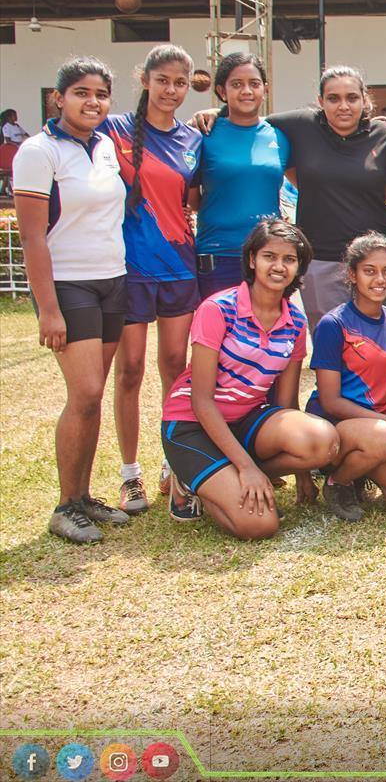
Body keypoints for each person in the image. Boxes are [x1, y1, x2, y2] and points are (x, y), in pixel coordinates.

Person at [159, 219, 339, 540]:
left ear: (300, 268)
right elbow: (201, 401)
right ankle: (194, 480)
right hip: (192, 424)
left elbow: (285, 405)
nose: (279, 266)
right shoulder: (217, 309)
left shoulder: (295, 322)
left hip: (245, 421)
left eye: (290, 259)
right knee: (259, 525)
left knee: (321, 442)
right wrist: (246, 467)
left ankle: (223, 473)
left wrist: (301, 474)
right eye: (270, 256)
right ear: (252, 259)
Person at [14, 58, 132, 543]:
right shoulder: (38, 152)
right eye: (81, 92)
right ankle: (65, 506)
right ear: (57, 98)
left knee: (93, 397)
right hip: (71, 285)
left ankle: (83, 497)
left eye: (101, 94)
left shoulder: (105, 145)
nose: (93, 102)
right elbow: (32, 238)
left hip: (113, 279)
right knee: (83, 394)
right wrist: (48, 308)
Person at [194, 65, 386, 329]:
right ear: (320, 101)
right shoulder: (301, 125)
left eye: (352, 98)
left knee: (378, 342)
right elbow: (250, 117)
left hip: (376, 258)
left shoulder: (385, 135)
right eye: (333, 98)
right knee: (330, 342)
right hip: (320, 258)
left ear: (364, 99)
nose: (343, 106)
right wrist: (218, 112)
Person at [101, 44, 202, 518]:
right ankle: (129, 474)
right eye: (162, 80)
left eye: (180, 82)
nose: (171, 90)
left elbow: (195, 198)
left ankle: (173, 463)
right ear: (144, 80)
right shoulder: (113, 129)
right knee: (130, 369)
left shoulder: (192, 139)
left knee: (174, 368)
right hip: (131, 268)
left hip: (181, 266)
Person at [305, 233, 386, 522]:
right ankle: (339, 481)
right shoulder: (334, 324)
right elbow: (330, 401)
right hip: (337, 427)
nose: (379, 279)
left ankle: (364, 469)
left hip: (380, 430)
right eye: (369, 271)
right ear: (352, 274)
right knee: (381, 437)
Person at [195, 53, 288, 299]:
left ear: (265, 89)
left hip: (269, 256)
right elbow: (191, 198)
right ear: (221, 91)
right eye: (237, 84)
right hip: (218, 254)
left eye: (254, 84)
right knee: (219, 334)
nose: (246, 91)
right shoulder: (203, 134)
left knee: (269, 332)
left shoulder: (280, 136)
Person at [0, 108, 24, 198]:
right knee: (10, 170)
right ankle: (11, 191)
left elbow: (25, 134)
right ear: (9, 117)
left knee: (11, 171)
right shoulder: (6, 126)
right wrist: (17, 144)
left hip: (19, 149)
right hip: (11, 150)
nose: (16, 117)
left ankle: (3, 190)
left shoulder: (17, 126)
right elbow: (8, 140)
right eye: (14, 115)